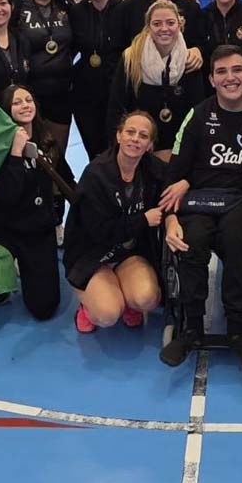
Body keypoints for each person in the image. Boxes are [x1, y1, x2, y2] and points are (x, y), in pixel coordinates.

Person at [159, 45, 242, 375]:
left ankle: (238, 329)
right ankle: (192, 327)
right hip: (199, 200)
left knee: (236, 237)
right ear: (211, 79)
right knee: (192, 239)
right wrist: (171, 217)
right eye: (222, 72)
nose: (231, 77)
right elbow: (174, 173)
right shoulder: (198, 115)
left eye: (237, 70)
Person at [0, 85, 75, 319]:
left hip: (37, 229)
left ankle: (26, 269)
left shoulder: (46, 141)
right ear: (6, 109)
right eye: (17, 102)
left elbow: (67, 180)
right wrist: (16, 152)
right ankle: (6, 269)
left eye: (28, 99)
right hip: (2, 228)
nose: (25, 105)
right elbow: (8, 195)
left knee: (44, 308)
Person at [64, 111, 166, 333]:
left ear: (149, 145)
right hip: (92, 253)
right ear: (118, 136)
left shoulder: (154, 169)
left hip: (127, 253)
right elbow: (99, 231)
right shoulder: (95, 175)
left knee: (147, 298)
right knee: (107, 314)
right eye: (130, 132)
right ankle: (88, 305)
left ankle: (129, 299)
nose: (135, 139)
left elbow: (173, 189)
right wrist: (143, 220)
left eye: (143, 135)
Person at [107, 0, 207, 162]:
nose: (164, 28)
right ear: (148, 27)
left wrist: (180, 151)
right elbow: (116, 108)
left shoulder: (190, 60)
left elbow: (197, 114)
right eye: (157, 23)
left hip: (179, 146)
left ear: (179, 25)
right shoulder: (131, 58)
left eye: (170, 22)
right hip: (140, 147)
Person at [10, 0, 78, 154]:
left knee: (56, 157)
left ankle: (55, 186)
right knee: (29, 153)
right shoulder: (16, 2)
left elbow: (75, 40)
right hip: (28, 93)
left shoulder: (65, 3)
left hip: (60, 94)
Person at [70, 0, 125, 159]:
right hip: (86, 96)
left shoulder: (124, 9)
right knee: (95, 151)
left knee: (118, 148)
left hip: (117, 92)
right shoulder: (76, 12)